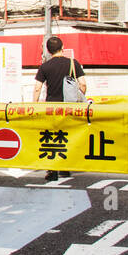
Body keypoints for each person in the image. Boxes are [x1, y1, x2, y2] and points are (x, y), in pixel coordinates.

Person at [33, 36, 86, 181]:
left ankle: (52, 170)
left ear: (49, 51)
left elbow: (38, 88)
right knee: (66, 136)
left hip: (51, 107)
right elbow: (83, 84)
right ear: (63, 47)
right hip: (69, 107)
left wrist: (35, 105)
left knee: (51, 137)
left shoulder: (45, 66)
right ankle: (65, 167)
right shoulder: (73, 63)